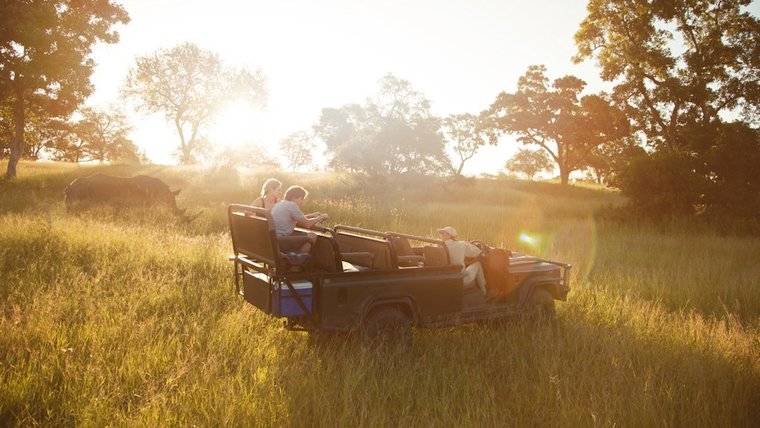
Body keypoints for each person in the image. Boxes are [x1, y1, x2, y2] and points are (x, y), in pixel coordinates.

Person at [271, 185, 328, 253]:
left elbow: (295, 219)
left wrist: (312, 215)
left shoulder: (280, 204)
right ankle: (299, 260)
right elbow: (307, 224)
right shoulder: (292, 205)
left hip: (272, 241)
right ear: (295, 197)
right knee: (312, 236)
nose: (302, 202)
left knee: (302, 234)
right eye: (301, 199)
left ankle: (296, 258)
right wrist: (321, 217)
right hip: (280, 242)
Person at [437, 226, 487, 295]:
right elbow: (476, 252)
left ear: (449, 235)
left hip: (446, 279)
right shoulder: (461, 244)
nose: (440, 235)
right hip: (460, 280)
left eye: (442, 233)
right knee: (477, 264)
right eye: (440, 233)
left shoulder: (439, 246)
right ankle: (484, 292)